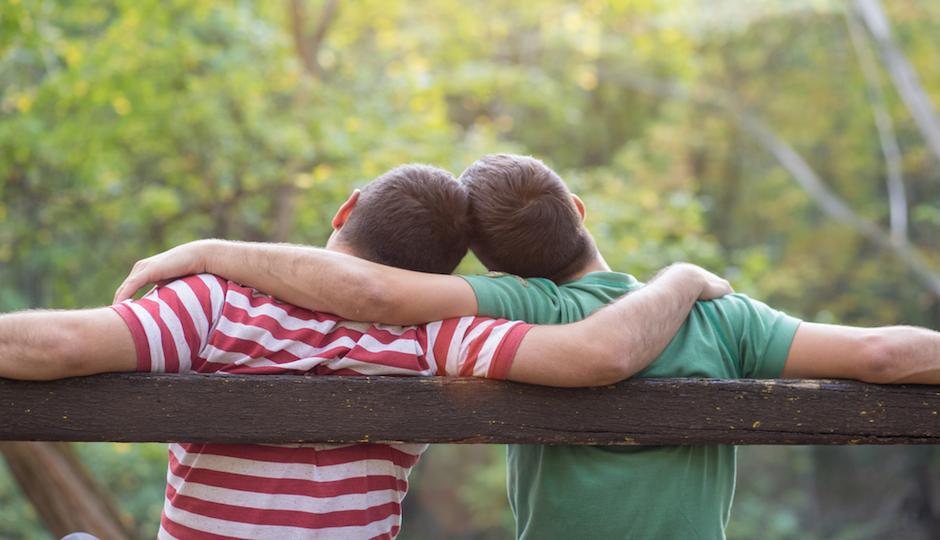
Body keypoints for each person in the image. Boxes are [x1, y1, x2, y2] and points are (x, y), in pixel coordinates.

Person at [116, 153, 940, 539]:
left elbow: (370, 291)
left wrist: (206, 252)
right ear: (579, 208)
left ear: (488, 267)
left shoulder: (520, 306)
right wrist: (686, 276)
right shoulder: (724, 319)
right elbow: (881, 357)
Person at [2, 163, 732, 540]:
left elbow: (59, 343)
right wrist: (684, 279)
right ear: (441, 276)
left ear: (345, 209)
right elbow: (589, 356)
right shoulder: (436, 337)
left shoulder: (214, 303)